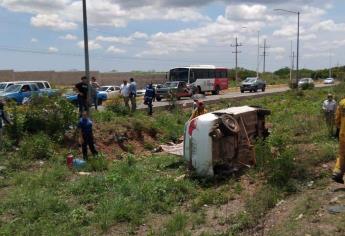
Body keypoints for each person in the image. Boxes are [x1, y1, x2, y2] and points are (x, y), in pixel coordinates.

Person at [332, 98, 345, 184]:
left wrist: (339, 129)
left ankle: (337, 173)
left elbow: (337, 119)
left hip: (343, 134)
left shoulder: (342, 102)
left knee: (342, 155)